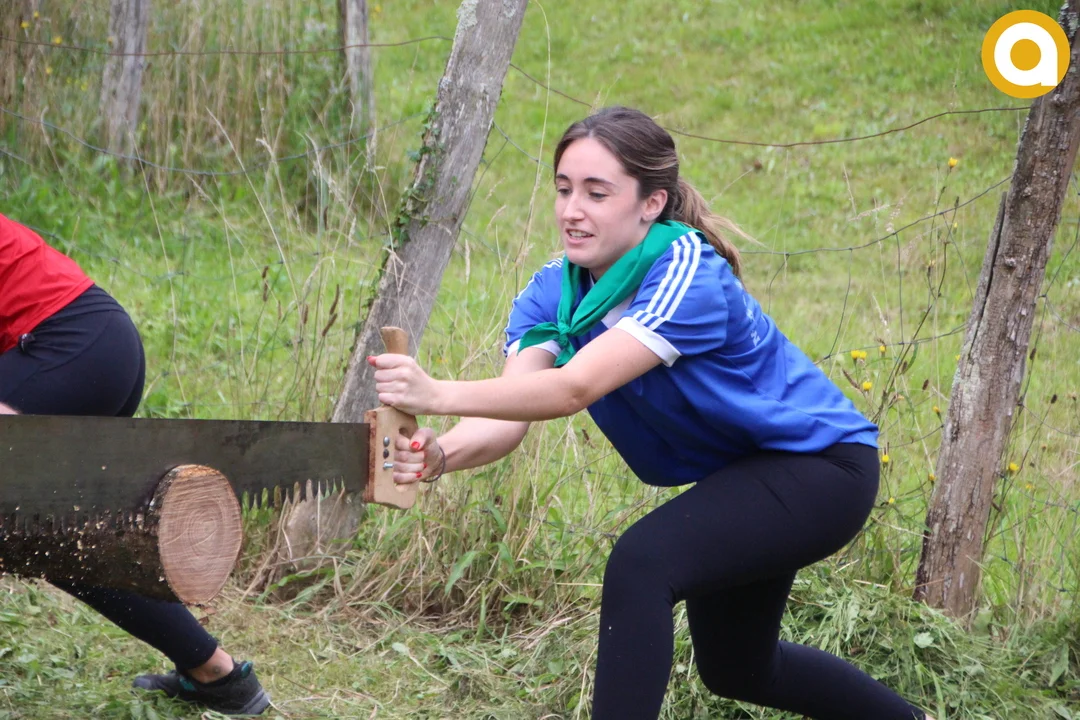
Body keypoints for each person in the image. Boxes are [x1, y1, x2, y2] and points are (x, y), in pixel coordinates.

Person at [371, 107, 934, 720]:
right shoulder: (554, 290)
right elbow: (510, 412)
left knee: (642, 564)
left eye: (597, 193)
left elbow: (573, 389)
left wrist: (435, 393)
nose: (572, 210)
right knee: (738, 667)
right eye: (563, 189)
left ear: (651, 203)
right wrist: (440, 454)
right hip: (750, 473)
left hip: (824, 468)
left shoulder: (685, 271)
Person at [0, 212, 270, 716]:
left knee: (27, 523)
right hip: (97, 345)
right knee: (44, 532)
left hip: (68, 345)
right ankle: (218, 675)